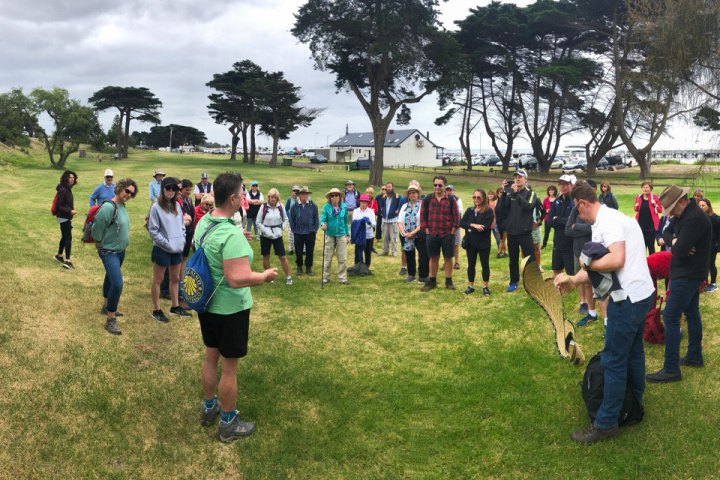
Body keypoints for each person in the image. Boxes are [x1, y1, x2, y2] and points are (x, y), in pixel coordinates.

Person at [554, 182, 654, 444]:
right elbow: (602, 266)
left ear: (582, 203)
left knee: (613, 360)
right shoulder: (609, 219)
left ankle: (607, 423)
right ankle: (634, 401)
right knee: (633, 351)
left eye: (577, 210)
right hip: (642, 294)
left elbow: (616, 260)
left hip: (628, 299)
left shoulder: (608, 220)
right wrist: (575, 279)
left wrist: (586, 261)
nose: (578, 216)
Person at [195, 172, 278, 442]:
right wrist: (264, 277)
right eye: (242, 193)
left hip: (206, 304)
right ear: (232, 199)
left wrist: (236, 236)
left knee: (211, 356)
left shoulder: (205, 222)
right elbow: (236, 278)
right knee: (229, 366)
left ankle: (209, 407)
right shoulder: (231, 235)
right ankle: (228, 423)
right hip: (230, 310)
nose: (244, 196)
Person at [647, 186, 712, 383]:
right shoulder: (684, 215)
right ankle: (694, 355)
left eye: (672, 209)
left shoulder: (694, 219)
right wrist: (676, 240)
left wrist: (677, 245)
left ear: (681, 202)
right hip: (686, 272)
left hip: (688, 274)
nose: (671, 213)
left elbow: (682, 251)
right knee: (692, 313)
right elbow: (666, 233)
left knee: (670, 315)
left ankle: (671, 368)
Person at [92, 178, 138, 335]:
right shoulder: (107, 207)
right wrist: (104, 246)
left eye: (131, 193)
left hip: (119, 251)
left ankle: (106, 306)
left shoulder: (122, 205)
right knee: (117, 284)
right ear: (119, 188)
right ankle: (110, 319)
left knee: (110, 278)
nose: (129, 195)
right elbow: (96, 231)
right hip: (109, 252)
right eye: (127, 191)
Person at [148, 176, 191, 322]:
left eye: (174, 189)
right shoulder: (156, 207)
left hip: (177, 248)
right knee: (158, 279)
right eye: (168, 188)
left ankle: (175, 306)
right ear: (163, 188)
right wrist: (167, 243)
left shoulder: (177, 206)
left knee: (175, 278)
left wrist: (182, 240)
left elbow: (181, 226)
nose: (171, 191)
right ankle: (156, 310)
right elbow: (153, 231)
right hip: (162, 249)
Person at [420, 176, 460, 291]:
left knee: (448, 258)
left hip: (447, 234)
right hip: (432, 234)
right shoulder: (428, 199)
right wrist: (427, 231)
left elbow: (456, 217)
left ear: (445, 186)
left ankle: (449, 281)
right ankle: (432, 281)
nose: (437, 187)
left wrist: (452, 232)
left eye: (440, 185)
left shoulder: (451, 199)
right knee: (433, 258)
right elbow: (423, 216)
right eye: (435, 185)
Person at [500, 169, 537, 292]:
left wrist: (516, 194)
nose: (517, 179)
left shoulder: (531, 193)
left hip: (525, 232)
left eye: (520, 177)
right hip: (512, 232)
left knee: (529, 259)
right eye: (515, 177)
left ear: (525, 179)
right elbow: (503, 210)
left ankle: (532, 282)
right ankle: (513, 281)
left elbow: (528, 207)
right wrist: (504, 193)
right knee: (513, 260)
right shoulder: (510, 193)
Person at [460, 189, 494, 296]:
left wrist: (470, 227)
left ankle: (485, 286)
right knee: (471, 265)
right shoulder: (470, 210)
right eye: (474, 197)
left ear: (483, 198)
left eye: (478, 197)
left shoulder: (488, 211)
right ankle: (471, 286)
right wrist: (473, 225)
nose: (476, 199)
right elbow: (461, 223)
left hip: (483, 243)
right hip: (471, 243)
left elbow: (485, 227)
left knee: (485, 265)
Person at [256, 188, 291, 285]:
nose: (273, 199)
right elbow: (258, 222)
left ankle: (288, 277)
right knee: (266, 256)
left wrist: (281, 229)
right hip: (265, 236)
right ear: (268, 197)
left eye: (275, 197)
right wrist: (266, 231)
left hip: (277, 235)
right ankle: (268, 277)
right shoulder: (263, 207)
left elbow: (286, 219)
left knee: (283, 257)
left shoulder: (281, 207)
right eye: (271, 197)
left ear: (277, 198)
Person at [548, 175, 576, 281]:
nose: (563, 187)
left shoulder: (574, 201)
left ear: (571, 185)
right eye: (561, 184)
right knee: (556, 269)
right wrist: (561, 220)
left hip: (569, 243)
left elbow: (571, 221)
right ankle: (556, 291)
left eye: (566, 184)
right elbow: (550, 221)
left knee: (571, 273)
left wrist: (557, 219)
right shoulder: (557, 201)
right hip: (557, 241)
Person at [320, 187, 350, 285]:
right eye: (332, 196)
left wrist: (347, 234)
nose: (334, 197)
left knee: (342, 257)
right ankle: (326, 277)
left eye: (336, 195)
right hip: (330, 234)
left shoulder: (344, 207)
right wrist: (323, 224)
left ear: (339, 197)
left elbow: (346, 222)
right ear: (330, 198)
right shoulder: (326, 207)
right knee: (328, 257)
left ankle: (342, 278)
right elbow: (323, 218)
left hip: (341, 234)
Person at [398, 184, 426, 283]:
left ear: (418, 194)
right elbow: (400, 221)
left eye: (414, 192)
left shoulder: (423, 205)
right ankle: (411, 274)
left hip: (419, 234)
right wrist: (404, 233)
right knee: (409, 255)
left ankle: (423, 276)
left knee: (423, 256)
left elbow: (423, 222)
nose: (412, 195)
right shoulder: (404, 206)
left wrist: (413, 232)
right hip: (407, 236)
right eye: (410, 193)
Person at [288, 186, 319, 275]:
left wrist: (314, 229)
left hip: (310, 232)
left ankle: (309, 268)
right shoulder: (295, 206)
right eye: (302, 195)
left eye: (306, 195)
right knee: (298, 250)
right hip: (298, 232)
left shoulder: (313, 205)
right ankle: (299, 267)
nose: (304, 197)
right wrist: (294, 230)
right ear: (299, 196)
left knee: (310, 251)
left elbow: (316, 218)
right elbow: (291, 219)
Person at [53, 170, 78, 270]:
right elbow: (58, 206)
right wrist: (70, 211)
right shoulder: (63, 190)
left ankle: (59, 256)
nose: (72, 179)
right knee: (68, 238)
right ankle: (67, 261)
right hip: (63, 217)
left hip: (64, 217)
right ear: (65, 178)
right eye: (70, 177)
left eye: (73, 177)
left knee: (64, 237)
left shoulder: (66, 189)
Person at [634, 180, 663, 254]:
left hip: (651, 227)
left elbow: (660, 210)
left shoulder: (655, 198)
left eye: (647, 187)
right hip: (640, 226)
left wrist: (655, 205)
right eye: (643, 187)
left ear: (650, 188)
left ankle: (652, 263)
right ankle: (642, 263)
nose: (645, 189)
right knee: (641, 247)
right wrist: (636, 206)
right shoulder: (638, 197)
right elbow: (635, 209)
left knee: (651, 247)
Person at [698, 198, 719, 292]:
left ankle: (714, 283)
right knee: (704, 263)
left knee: (711, 264)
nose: (701, 207)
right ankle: (703, 282)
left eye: (703, 205)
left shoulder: (715, 219)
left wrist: (717, 245)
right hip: (703, 245)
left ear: (709, 206)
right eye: (700, 206)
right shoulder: (700, 217)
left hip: (712, 245)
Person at [351, 194, 376, 267]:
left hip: (368, 235)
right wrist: (361, 222)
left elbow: (374, 224)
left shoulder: (371, 211)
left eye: (365, 202)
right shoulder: (356, 211)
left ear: (368, 203)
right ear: (359, 202)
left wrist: (369, 223)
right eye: (362, 202)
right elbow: (354, 222)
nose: (363, 204)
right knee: (358, 252)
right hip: (359, 235)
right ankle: (357, 266)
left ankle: (367, 266)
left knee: (368, 252)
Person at [379, 182, 401, 257]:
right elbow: (380, 205)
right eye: (387, 187)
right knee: (385, 237)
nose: (388, 188)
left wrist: (398, 210)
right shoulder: (384, 197)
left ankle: (394, 252)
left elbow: (401, 204)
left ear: (393, 187)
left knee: (393, 237)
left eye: (389, 187)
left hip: (393, 220)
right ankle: (385, 251)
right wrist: (382, 211)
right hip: (385, 220)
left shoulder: (397, 196)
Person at [446, 184, 464, 270]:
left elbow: (459, 212)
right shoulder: (444, 199)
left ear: (453, 190)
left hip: (455, 225)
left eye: (450, 190)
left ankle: (456, 262)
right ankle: (446, 262)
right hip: (445, 225)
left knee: (456, 244)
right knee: (446, 244)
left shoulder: (457, 200)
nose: (449, 191)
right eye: (447, 190)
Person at [285, 185, 301, 255]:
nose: (296, 192)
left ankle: (302, 250)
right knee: (290, 235)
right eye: (294, 191)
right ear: (292, 192)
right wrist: (288, 217)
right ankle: (291, 249)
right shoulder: (289, 199)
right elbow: (286, 209)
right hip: (291, 220)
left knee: (301, 235)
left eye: (297, 191)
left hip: (300, 221)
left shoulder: (301, 199)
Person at [541, 185, 557, 249]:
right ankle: (544, 245)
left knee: (556, 233)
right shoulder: (546, 199)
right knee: (546, 232)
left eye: (552, 190)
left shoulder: (557, 199)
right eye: (550, 190)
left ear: (555, 191)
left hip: (555, 219)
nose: (551, 191)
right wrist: (546, 210)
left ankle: (555, 245)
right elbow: (542, 209)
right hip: (547, 218)